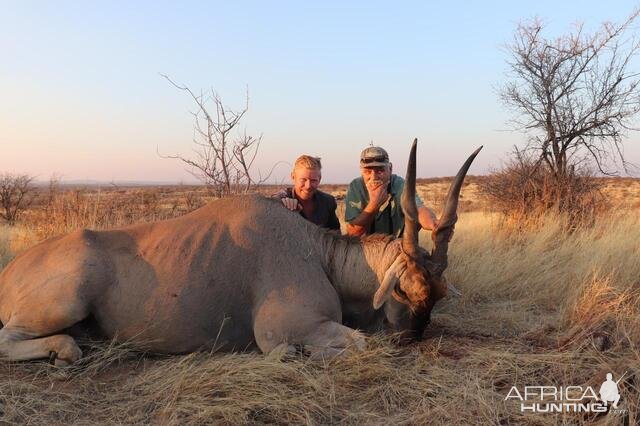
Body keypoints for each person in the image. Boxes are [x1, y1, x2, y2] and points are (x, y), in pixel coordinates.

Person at [345, 146, 437, 237]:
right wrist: (374, 204)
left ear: (390, 169)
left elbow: (418, 209)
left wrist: (434, 224)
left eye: (380, 171)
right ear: (362, 172)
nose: (373, 177)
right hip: (366, 250)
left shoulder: (399, 184)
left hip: (397, 247)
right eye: (368, 172)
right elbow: (352, 233)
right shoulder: (356, 187)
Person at [273, 155, 340, 230]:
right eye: (303, 180)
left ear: (319, 179)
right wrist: (281, 201)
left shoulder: (328, 202)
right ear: (293, 177)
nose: (308, 186)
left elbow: (336, 235)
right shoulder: (282, 200)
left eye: (313, 180)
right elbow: (273, 199)